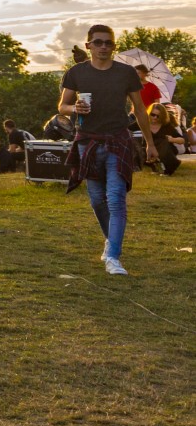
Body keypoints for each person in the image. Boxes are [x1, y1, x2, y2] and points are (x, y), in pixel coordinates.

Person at [61, 24, 155, 276]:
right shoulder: (76, 73)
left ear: (114, 46)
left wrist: (150, 143)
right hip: (87, 141)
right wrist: (74, 109)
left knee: (115, 198)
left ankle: (113, 256)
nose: (104, 47)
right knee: (96, 200)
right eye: (98, 42)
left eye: (109, 43)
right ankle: (110, 241)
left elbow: (138, 108)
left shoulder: (126, 73)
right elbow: (62, 106)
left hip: (118, 140)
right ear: (88, 46)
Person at [145, 104, 183, 176]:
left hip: (166, 150)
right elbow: (127, 128)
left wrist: (172, 139)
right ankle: (167, 166)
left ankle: (168, 167)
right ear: (149, 113)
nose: (155, 117)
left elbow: (182, 140)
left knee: (163, 141)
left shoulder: (166, 126)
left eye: (158, 116)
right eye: (153, 115)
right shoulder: (143, 124)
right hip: (148, 151)